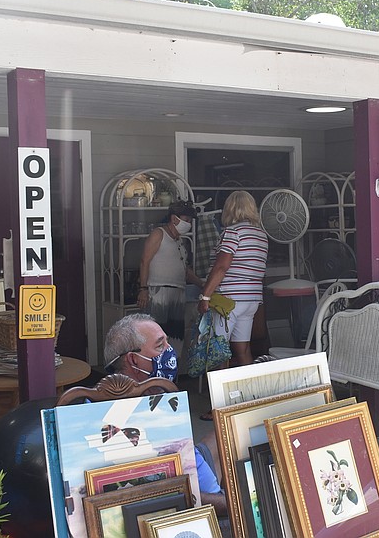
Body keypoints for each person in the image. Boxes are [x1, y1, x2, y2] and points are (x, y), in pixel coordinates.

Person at [102, 313, 228, 516]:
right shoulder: (140, 417)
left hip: (189, 468)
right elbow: (192, 496)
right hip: (198, 499)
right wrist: (236, 505)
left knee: (223, 433)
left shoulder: (92, 403)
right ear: (133, 359)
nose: (171, 352)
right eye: (160, 346)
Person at [197, 190, 268, 368]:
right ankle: (248, 392)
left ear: (230, 209)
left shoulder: (233, 232)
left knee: (219, 350)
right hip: (251, 300)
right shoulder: (261, 235)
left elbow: (221, 267)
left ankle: (220, 394)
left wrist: (205, 296)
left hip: (228, 301)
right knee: (243, 349)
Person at [137, 200, 203, 350]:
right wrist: (143, 288)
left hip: (178, 293)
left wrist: (202, 284)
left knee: (175, 338)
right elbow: (144, 260)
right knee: (155, 337)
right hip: (158, 291)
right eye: (186, 220)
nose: (189, 224)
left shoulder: (179, 241)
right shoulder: (159, 234)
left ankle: (172, 370)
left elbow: (185, 271)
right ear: (174, 219)